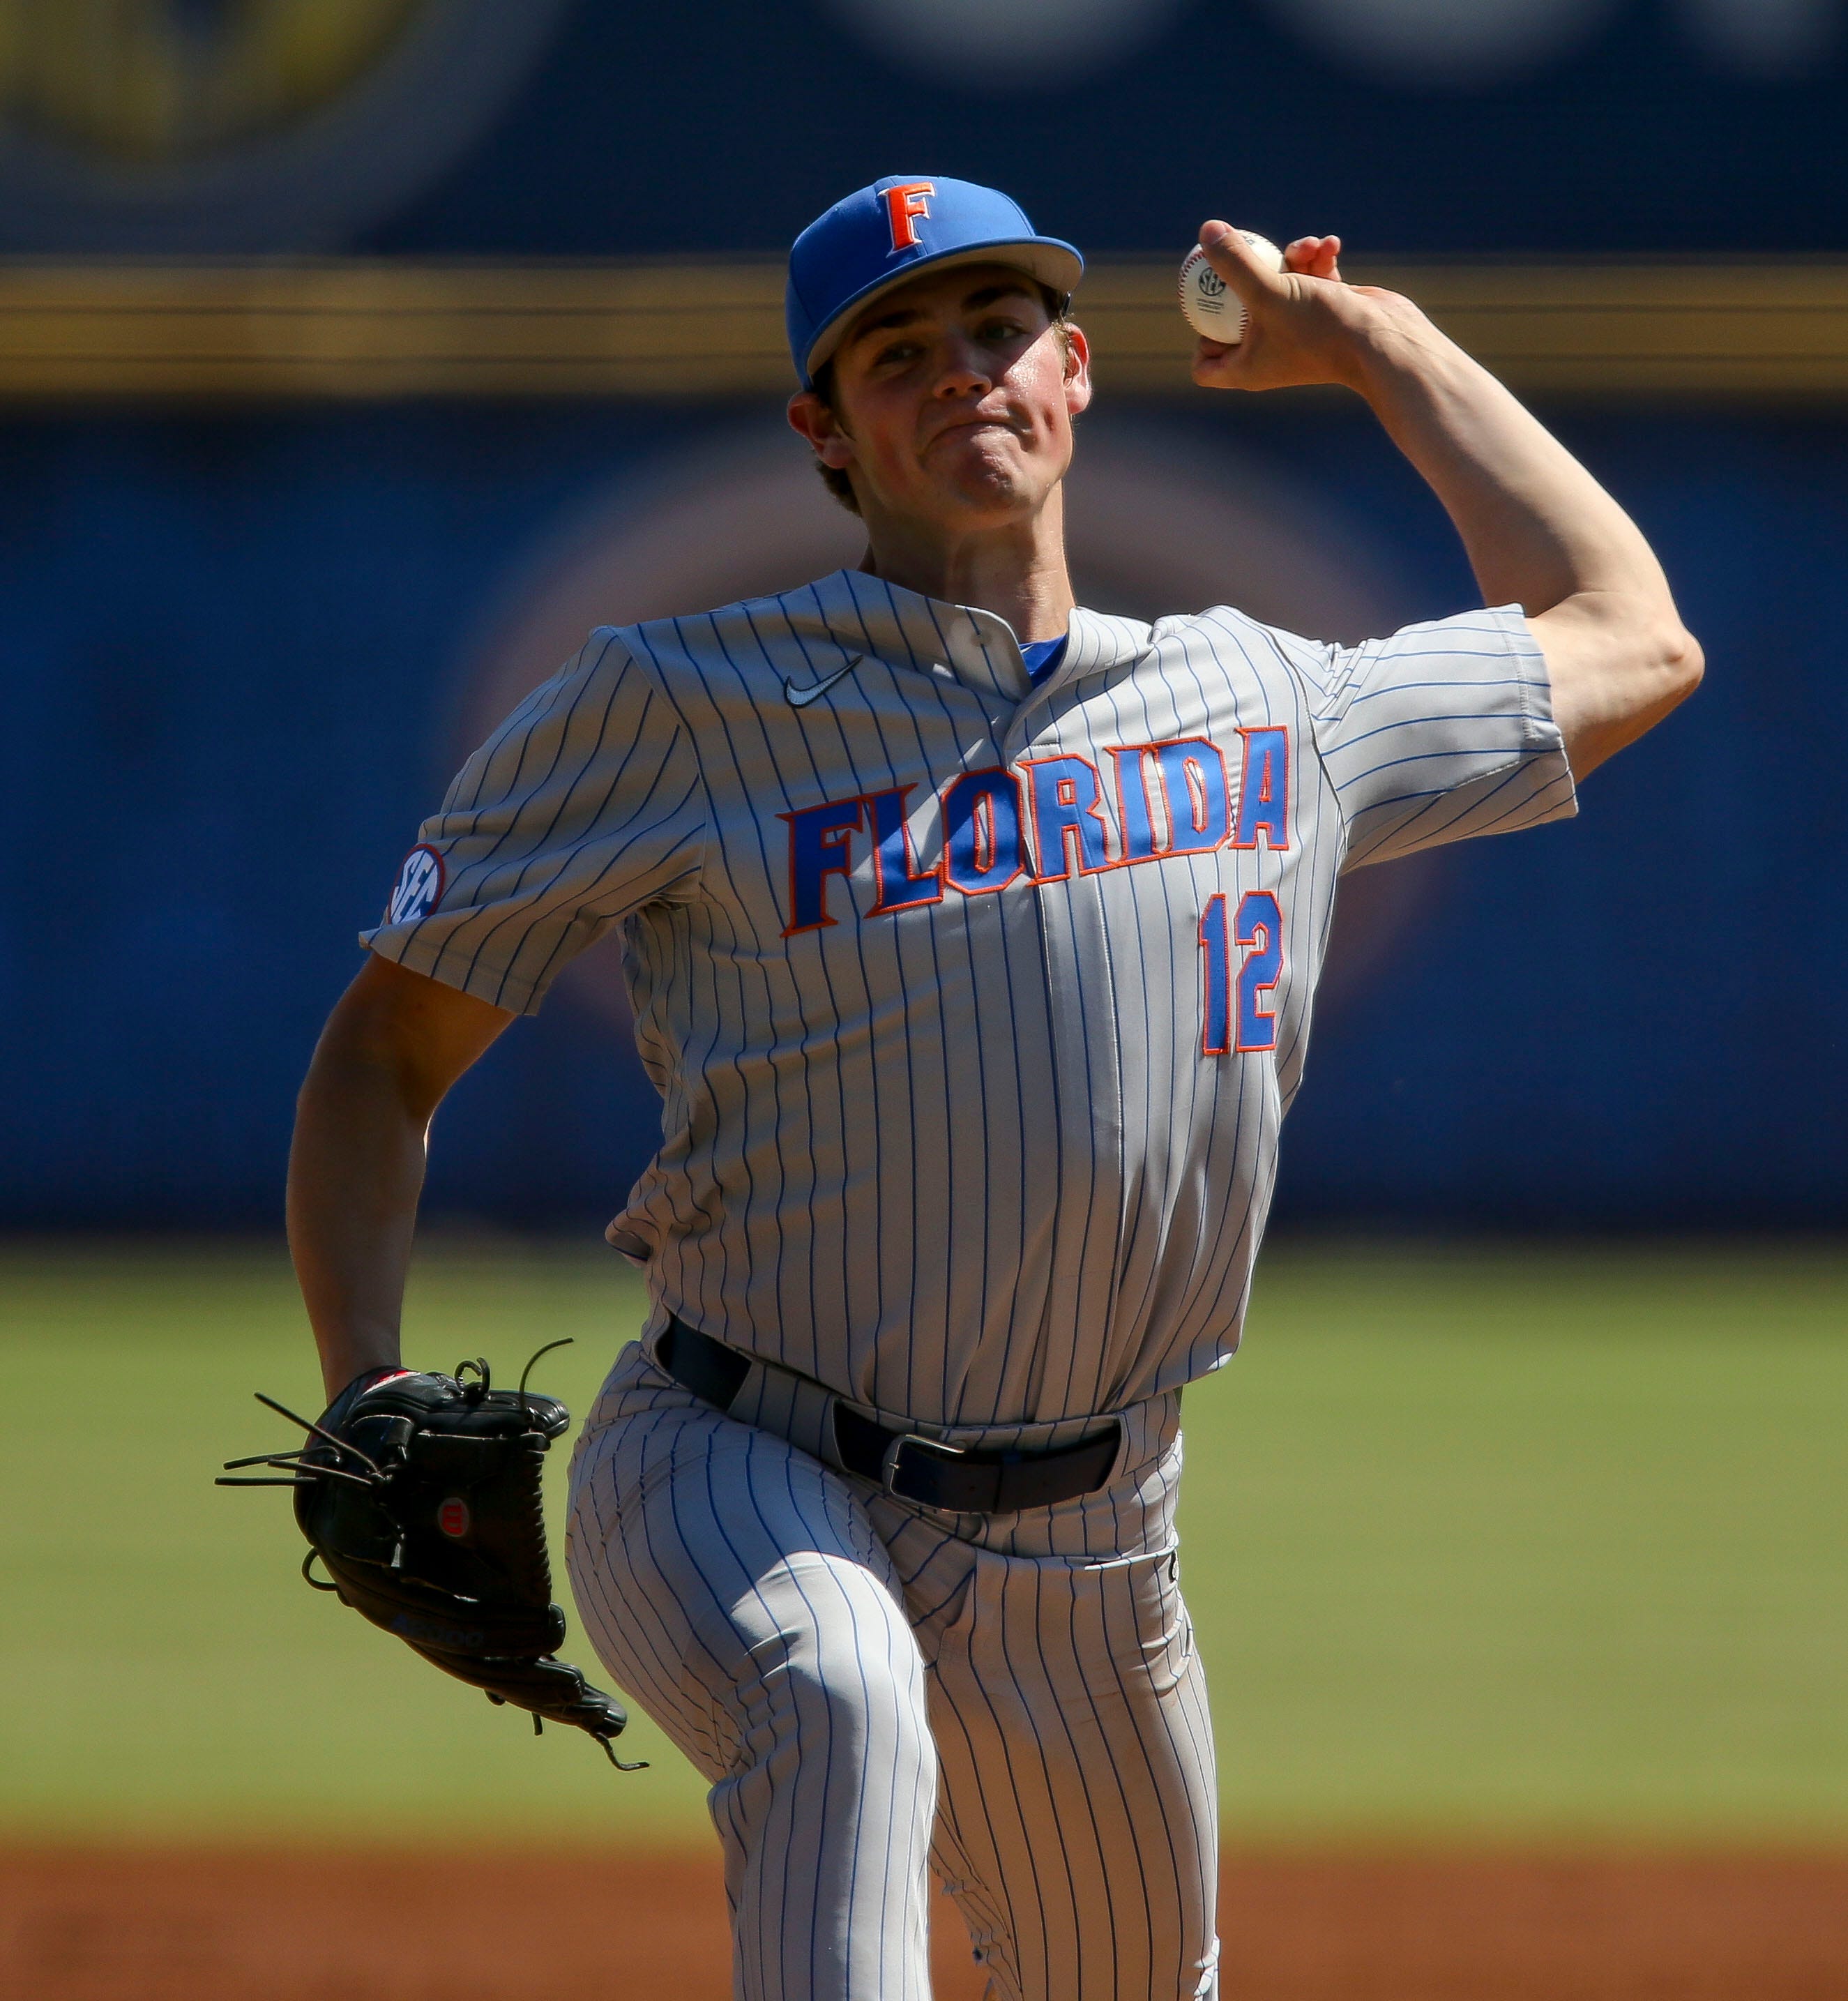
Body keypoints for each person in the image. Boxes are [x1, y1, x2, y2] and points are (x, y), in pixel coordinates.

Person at [287, 176, 1702, 2000]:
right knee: (837, 1698)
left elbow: (1631, 635)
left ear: (1074, 374)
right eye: (894, 350)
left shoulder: (1267, 707)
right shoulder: (666, 707)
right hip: (739, 1456)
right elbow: (384, 1054)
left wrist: (1375, 345)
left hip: (1091, 1535)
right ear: (824, 429)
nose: (957, 371)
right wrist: (363, 1382)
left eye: (994, 328)